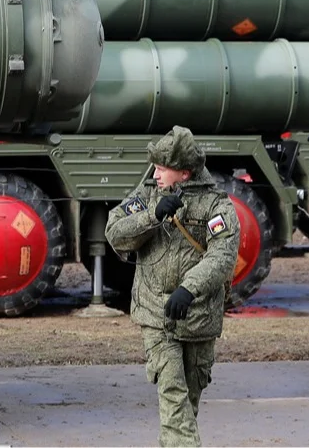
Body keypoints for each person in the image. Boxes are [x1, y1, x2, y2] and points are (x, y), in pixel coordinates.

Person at [105, 125, 240, 448]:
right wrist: (152, 216)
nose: (155, 173)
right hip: (155, 314)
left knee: (186, 403)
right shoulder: (148, 194)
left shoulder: (216, 206)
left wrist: (188, 289)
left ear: (184, 172)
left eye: (162, 168)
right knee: (173, 393)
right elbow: (115, 233)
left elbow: (223, 256)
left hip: (199, 317)